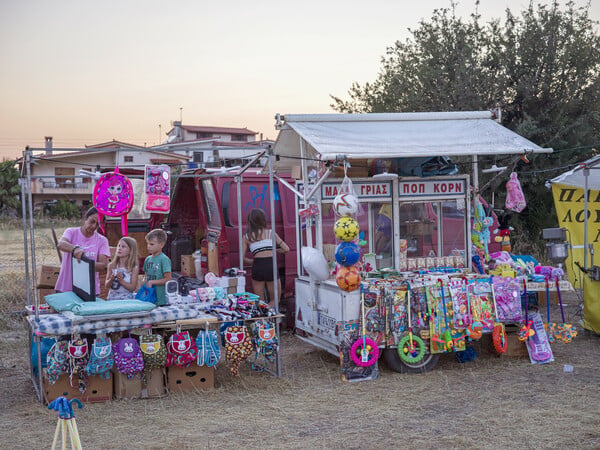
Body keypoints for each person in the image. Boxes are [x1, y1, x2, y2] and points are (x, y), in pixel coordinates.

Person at [55, 207, 110, 296]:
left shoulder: (102, 240)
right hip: (66, 288)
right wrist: (74, 249)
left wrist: (85, 262)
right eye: (92, 221)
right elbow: (61, 244)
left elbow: (102, 266)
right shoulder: (71, 232)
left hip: (89, 291)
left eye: (97, 224)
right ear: (85, 218)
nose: (93, 226)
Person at [242, 208, 289, 306]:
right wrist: (272, 249)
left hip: (257, 267)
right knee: (274, 300)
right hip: (270, 266)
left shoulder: (247, 237)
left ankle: (262, 320)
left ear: (250, 221)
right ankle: (272, 319)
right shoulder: (271, 234)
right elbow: (286, 249)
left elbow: (242, 258)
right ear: (263, 219)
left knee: (260, 302)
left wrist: (252, 261)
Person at [142, 228, 171, 306]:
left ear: (161, 244)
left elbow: (168, 279)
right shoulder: (147, 259)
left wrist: (152, 282)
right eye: (147, 244)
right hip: (149, 296)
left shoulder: (164, 259)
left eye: (152, 244)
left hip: (161, 299)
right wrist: (144, 281)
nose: (149, 247)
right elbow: (145, 275)